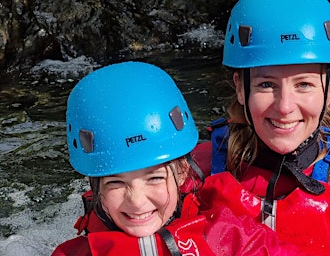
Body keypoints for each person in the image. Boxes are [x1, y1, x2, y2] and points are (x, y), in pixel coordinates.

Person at [194, 0, 330, 255]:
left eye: (304, 84)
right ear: (240, 88)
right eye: (266, 85)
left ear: (329, 89)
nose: (285, 107)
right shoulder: (195, 173)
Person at [51, 61, 302, 255]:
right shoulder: (72, 253)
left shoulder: (233, 238)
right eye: (115, 183)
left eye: (155, 178)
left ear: (182, 172)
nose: (137, 202)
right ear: (94, 185)